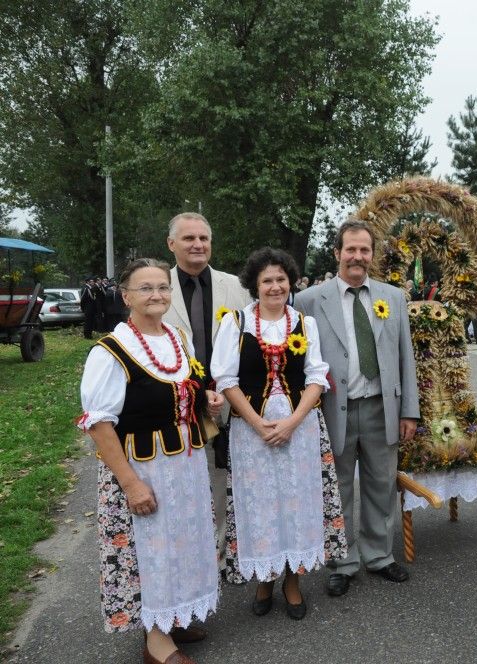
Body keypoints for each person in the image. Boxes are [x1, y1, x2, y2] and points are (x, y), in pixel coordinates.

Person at [78, 258, 224, 664]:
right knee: (153, 550)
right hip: (145, 468)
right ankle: (156, 642)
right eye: (145, 288)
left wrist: (203, 399)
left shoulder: (177, 338)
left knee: (185, 544)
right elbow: (99, 425)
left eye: (162, 286)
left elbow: (183, 388)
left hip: (187, 465)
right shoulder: (110, 350)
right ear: (126, 296)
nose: (156, 294)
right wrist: (131, 484)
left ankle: (176, 616)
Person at [212, 248, 347, 619]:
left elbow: (317, 377)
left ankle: (292, 580)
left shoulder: (306, 323)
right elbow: (225, 378)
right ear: (255, 286)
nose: (275, 286)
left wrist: (291, 422)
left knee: (297, 501)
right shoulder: (236, 323)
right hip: (250, 429)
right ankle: (264, 576)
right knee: (259, 504)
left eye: (281, 279)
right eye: (267, 280)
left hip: (299, 427)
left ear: (291, 282)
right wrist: (258, 424)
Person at [294, 217, 420, 596]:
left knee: (382, 485)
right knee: (339, 486)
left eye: (364, 250)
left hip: (383, 408)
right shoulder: (309, 300)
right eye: (351, 249)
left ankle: (380, 555)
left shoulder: (392, 298)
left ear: (372, 255)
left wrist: (409, 410)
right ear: (337, 253)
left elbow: (405, 357)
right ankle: (343, 561)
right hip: (335, 408)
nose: (358, 256)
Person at [163, 212, 252, 468]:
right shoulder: (157, 288)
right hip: (176, 408)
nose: (198, 244)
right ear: (171, 244)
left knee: (230, 486)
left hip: (232, 403)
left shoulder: (238, 287)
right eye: (189, 238)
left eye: (204, 238)